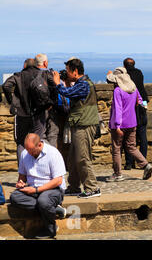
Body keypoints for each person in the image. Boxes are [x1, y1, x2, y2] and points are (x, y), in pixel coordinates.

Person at [53, 58, 101, 199]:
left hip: (84, 125)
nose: (66, 73)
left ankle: (92, 188)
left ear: (75, 71)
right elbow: (72, 92)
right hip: (79, 124)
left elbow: (68, 93)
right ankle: (74, 186)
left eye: (68, 71)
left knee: (82, 157)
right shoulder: (80, 84)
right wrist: (66, 83)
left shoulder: (85, 84)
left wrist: (58, 83)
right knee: (73, 158)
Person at [9, 133, 67, 239]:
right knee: (14, 197)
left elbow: (58, 181)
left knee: (43, 201)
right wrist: (21, 183)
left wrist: (36, 190)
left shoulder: (53, 153)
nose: (29, 153)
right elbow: (22, 176)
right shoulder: (25, 154)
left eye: (32, 150)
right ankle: (53, 209)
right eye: (27, 150)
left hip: (52, 189)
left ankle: (51, 229)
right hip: (33, 190)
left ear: (39, 145)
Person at [106, 67, 152, 181]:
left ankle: (117, 174)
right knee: (131, 146)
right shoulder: (133, 88)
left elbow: (118, 109)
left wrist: (117, 125)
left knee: (117, 148)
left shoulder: (118, 91)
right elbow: (141, 101)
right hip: (132, 123)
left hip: (120, 124)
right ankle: (146, 164)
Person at [2, 58, 36, 162]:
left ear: (24, 66)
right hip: (37, 114)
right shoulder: (40, 74)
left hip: (21, 113)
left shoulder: (18, 75)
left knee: (21, 142)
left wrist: (11, 101)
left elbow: (6, 86)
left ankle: (22, 171)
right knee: (37, 140)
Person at [122, 58, 149, 170]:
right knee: (142, 135)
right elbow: (142, 92)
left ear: (124, 65)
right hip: (142, 104)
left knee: (128, 136)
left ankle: (129, 163)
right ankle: (143, 162)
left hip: (130, 108)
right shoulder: (139, 73)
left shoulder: (125, 75)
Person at [30, 54, 59, 147]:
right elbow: (56, 88)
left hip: (35, 109)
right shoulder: (49, 74)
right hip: (50, 108)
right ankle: (51, 157)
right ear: (45, 63)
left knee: (39, 134)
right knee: (52, 135)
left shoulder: (31, 74)